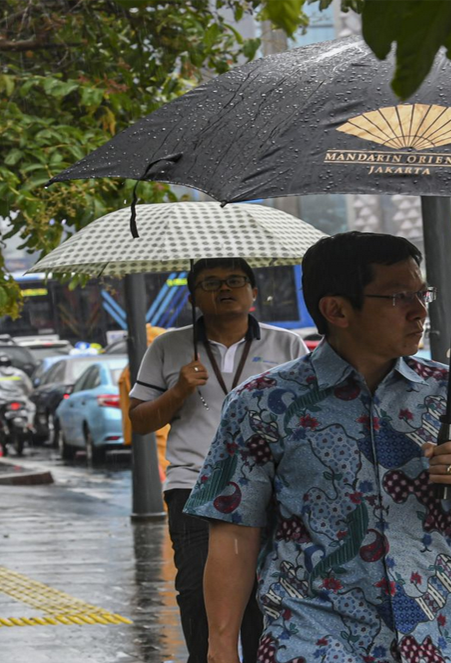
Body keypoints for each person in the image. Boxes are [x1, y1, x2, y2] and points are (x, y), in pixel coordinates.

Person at [184, 234, 451, 663]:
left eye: (421, 293)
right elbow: (234, 533)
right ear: (337, 310)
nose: (420, 311)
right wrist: (221, 649)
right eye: (398, 297)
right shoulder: (262, 404)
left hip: (443, 644)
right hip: (312, 644)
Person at [127, 257, 309, 663]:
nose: (224, 289)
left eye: (234, 281)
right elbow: (139, 420)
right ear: (193, 297)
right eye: (210, 283)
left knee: (266, 593)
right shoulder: (168, 346)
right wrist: (178, 391)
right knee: (195, 592)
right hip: (194, 486)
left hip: (270, 489)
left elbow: (308, 416)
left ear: (253, 293)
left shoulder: (286, 345)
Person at [0, 353, 35, 434]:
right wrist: (26, 395)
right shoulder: (19, 373)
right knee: (31, 408)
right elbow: (29, 388)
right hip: (19, 399)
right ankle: (30, 425)